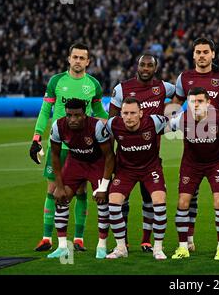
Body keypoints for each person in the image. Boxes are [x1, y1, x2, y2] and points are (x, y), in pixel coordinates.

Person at [29, 42, 109, 252]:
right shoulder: (56, 81)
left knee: (81, 191)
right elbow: (46, 110)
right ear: (69, 58)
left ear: (88, 61)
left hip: (84, 147)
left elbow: (100, 112)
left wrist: (115, 127)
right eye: (75, 57)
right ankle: (47, 238)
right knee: (53, 189)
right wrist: (36, 137)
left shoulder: (93, 84)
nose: (78, 61)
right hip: (59, 145)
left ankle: (79, 239)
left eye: (82, 58)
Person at [172, 37, 219, 251]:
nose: (201, 55)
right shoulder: (184, 77)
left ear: (213, 54)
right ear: (193, 55)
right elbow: (175, 104)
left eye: (205, 52)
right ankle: (188, 240)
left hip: (215, 145)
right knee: (190, 198)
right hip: (192, 144)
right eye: (198, 52)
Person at [109, 54, 175, 253]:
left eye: (150, 66)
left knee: (150, 200)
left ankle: (147, 241)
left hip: (151, 157)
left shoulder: (164, 87)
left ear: (155, 68)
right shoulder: (122, 89)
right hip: (125, 159)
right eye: (142, 65)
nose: (145, 68)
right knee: (122, 202)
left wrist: (172, 111)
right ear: (137, 66)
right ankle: (124, 243)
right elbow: (113, 121)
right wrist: (110, 159)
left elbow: (181, 93)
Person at [45, 99, 114, 259]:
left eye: (77, 115)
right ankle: (62, 247)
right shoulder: (58, 126)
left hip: (97, 163)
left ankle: (101, 246)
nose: (73, 119)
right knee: (60, 197)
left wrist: (104, 186)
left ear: (85, 114)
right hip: (75, 161)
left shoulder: (96, 126)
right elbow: (55, 155)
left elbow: (110, 156)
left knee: (103, 201)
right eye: (69, 115)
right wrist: (59, 185)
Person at [104, 97, 168, 260]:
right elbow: (98, 123)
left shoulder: (154, 121)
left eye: (133, 113)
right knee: (113, 204)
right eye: (125, 113)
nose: (129, 116)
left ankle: (158, 248)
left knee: (159, 202)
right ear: (121, 114)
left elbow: (178, 123)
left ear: (141, 113)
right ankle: (121, 248)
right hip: (126, 171)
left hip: (150, 169)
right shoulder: (113, 124)